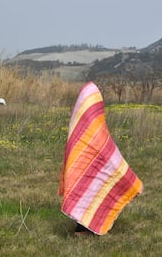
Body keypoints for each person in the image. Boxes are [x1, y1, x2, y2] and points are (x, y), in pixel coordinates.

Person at [59, 81, 143, 236]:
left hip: (81, 163)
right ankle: (84, 228)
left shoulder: (81, 121)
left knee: (87, 188)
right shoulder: (84, 123)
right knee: (89, 188)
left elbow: (104, 147)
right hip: (83, 162)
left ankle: (85, 227)